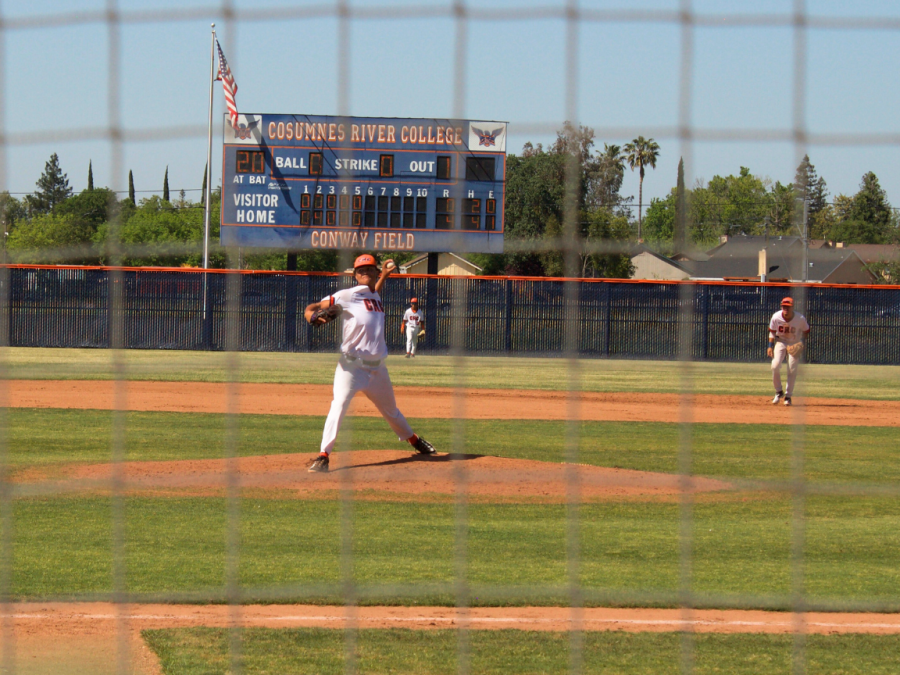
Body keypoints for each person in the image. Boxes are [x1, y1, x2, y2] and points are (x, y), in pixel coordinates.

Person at [303, 254, 437, 472]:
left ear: (375, 272)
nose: (364, 272)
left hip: (378, 370)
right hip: (351, 368)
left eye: (369, 269)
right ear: (355, 275)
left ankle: (413, 440)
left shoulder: (374, 294)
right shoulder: (346, 295)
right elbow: (314, 306)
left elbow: (373, 292)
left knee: (391, 411)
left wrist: (383, 275)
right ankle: (323, 456)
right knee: (338, 405)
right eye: (360, 270)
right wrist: (311, 316)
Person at [767, 296, 810, 407]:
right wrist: (770, 346)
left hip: (793, 342)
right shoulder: (776, 316)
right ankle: (778, 391)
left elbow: (806, 331)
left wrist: (801, 343)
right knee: (775, 366)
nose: (786, 308)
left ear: (792, 307)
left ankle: (788, 396)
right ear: (781, 306)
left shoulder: (800, 318)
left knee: (792, 369)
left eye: (788, 306)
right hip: (780, 342)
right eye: (784, 306)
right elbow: (772, 332)